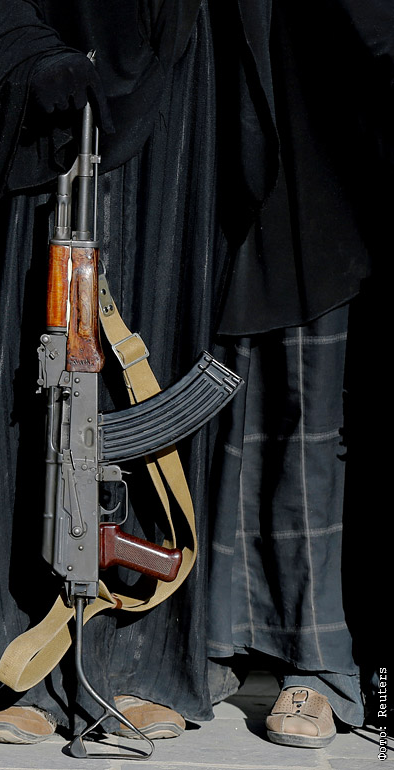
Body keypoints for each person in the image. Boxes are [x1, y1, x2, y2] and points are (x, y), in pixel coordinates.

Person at [0, 0, 232, 745]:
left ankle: (136, 664)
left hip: (164, 93)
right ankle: (11, 662)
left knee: (141, 369)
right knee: (32, 389)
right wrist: (20, 48)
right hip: (34, 96)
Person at [205, 0, 390, 748]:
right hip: (232, 138)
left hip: (338, 151)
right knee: (233, 406)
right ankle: (218, 634)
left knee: (314, 420)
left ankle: (320, 660)